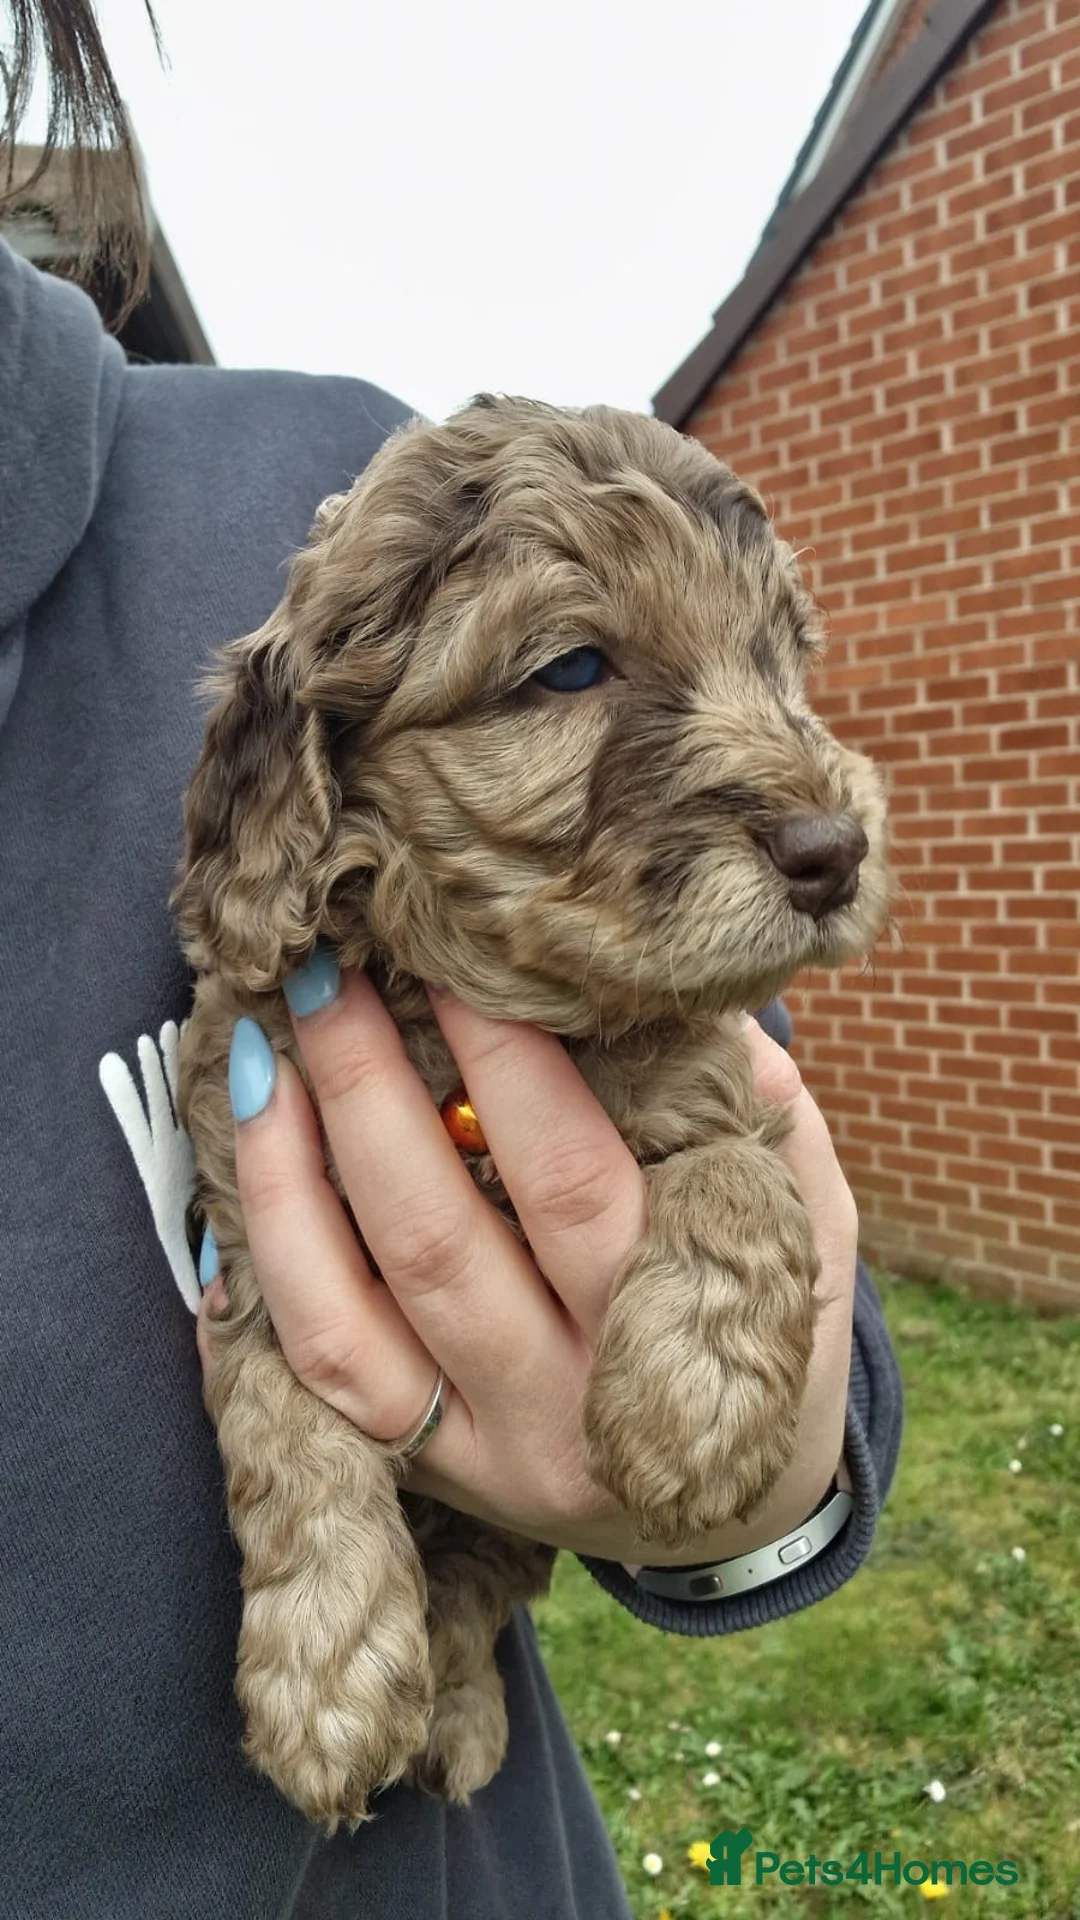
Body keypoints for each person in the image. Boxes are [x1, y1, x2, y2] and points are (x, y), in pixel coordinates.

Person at [0, 8, 902, 1914]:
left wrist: (753, 1473)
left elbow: (791, 1305)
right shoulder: (286, 813)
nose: (799, 782)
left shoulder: (314, 473)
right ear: (287, 772)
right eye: (575, 673)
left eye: (768, 662)